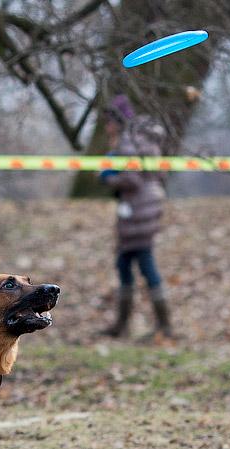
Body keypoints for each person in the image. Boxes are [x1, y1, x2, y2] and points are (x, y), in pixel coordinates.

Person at [99, 94, 173, 339]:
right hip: (146, 206)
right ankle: (131, 325)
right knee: (130, 262)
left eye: (109, 121)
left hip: (137, 210)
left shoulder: (128, 141)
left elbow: (130, 178)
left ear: (118, 120)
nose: (106, 127)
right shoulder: (142, 138)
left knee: (141, 262)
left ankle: (160, 327)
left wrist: (107, 177)